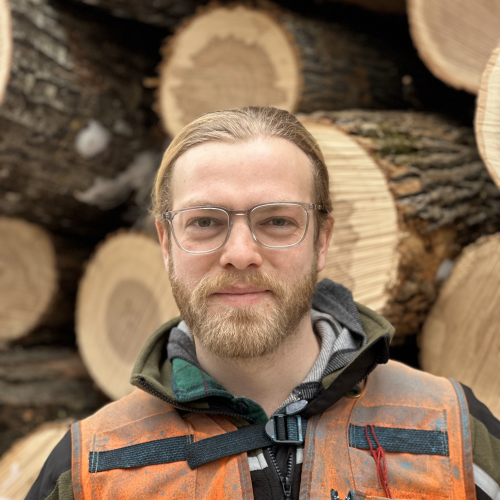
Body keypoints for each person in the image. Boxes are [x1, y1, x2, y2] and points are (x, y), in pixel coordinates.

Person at [26, 107, 499, 500]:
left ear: (322, 239)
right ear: (166, 242)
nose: (239, 254)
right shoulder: (88, 470)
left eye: (276, 221)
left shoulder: (453, 430)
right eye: (205, 222)